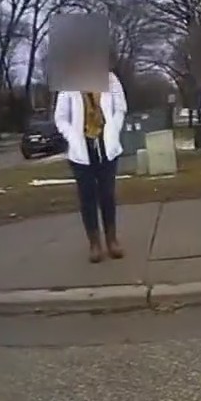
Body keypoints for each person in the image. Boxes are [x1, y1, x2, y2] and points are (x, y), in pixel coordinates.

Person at [53, 66, 128, 263]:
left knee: (107, 195)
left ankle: (112, 239)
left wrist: (113, 129)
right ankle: (94, 243)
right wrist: (71, 136)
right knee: (87, 197)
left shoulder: (110, 79)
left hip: (106, 145)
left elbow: (120, 108)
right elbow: (60, 117)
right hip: (81, 148)